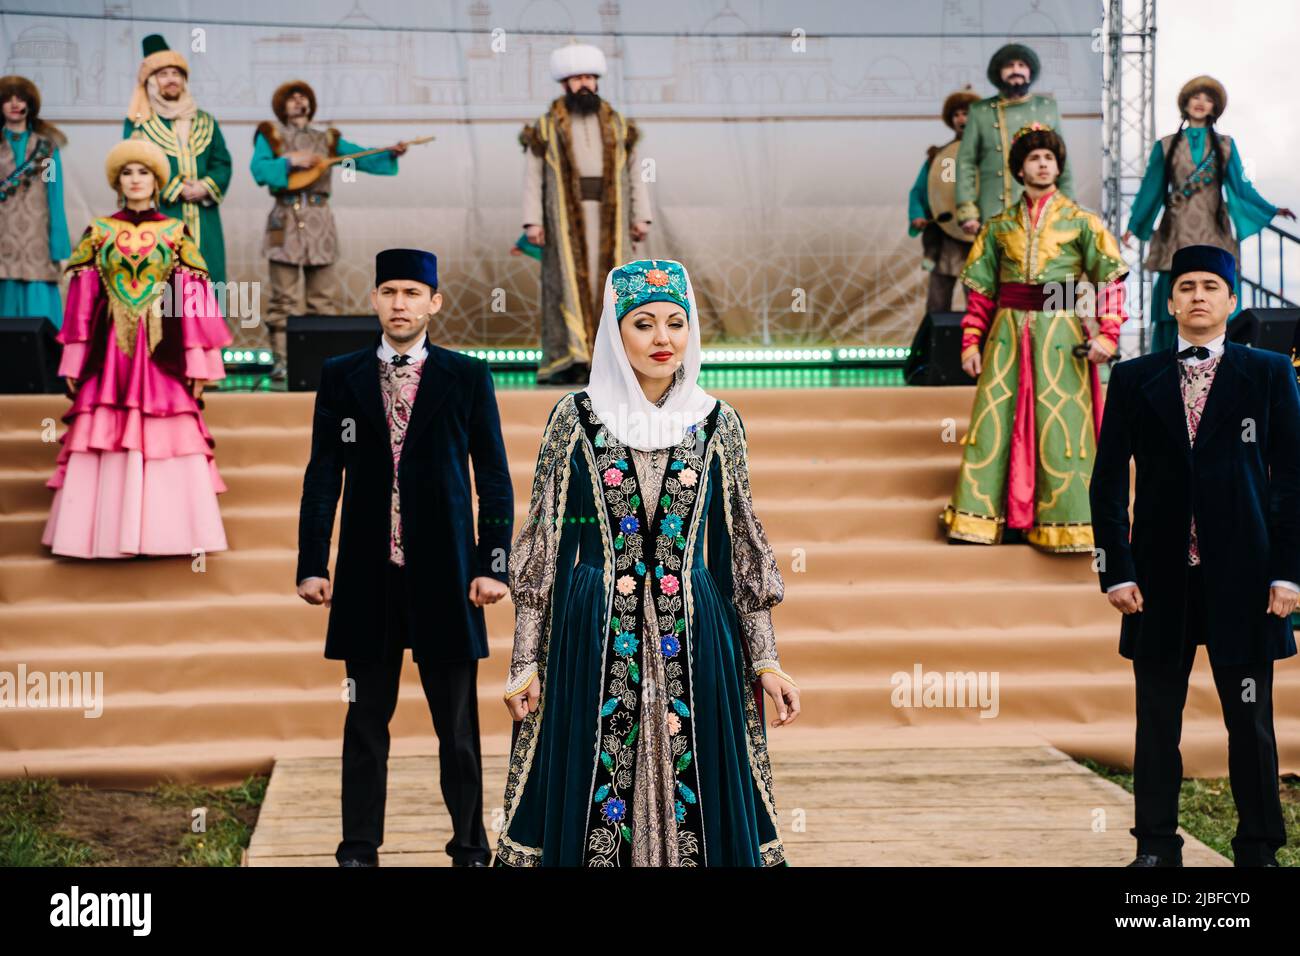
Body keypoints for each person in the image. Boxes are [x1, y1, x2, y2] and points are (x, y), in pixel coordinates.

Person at [493, 258, 800, 867]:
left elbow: (740, 546)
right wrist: (524, 661)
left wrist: (765, 659)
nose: (663, 339)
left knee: (702, 785)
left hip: (698, 629)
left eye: (675, 322)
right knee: (592, 782)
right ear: (615, 330)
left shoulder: (718, 423)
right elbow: (543, 546)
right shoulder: (575, 418)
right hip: (593, 631)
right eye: (643, 323)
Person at [295, 248, 514, 867]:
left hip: (446, 575)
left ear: (434, 303)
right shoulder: (341, 375)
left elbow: (493, 479)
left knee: (457, 726)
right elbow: (322, 475)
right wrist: (314, 561)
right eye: (389, 291)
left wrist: (491, 563)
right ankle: (359, 845)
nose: (399, 303)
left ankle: (470, 843)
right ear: (374, 300)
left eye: (413, 293)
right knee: (364, 721)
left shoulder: (467, 377)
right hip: (368, 577)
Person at [1090, 244, 1300, 867]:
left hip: (1246, 580)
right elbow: (1106, 483)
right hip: (1156, 582)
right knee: (1157, 718)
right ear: (1171, 300)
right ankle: (1156, 846)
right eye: (1187, 286)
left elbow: (1291, 478)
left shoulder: (1266, 372)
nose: (1199, 295)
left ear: (1233, 301)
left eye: (1212, 285)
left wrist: (1289, 573)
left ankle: (1257, 845)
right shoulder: (1133, 377)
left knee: (1249, 720)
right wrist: (1115, 569)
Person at [940, 124, 1127, 551]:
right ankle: (983, 519)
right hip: (1006, 333)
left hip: (1062, 331)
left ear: (1058, 167)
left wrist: (1109, 335)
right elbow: (981, 292)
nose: (1043, 163)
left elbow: (1112, 280)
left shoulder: (1083, 222)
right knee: (997, 423)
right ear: (1019, 170)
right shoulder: (999, 225)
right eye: (1033, 158)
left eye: (1049, 157)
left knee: (1063, 427)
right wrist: (970, 341)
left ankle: (1068, 524)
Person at [42, 138, 231, 558]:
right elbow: (81, 303)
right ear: (117, 181)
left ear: (157, 181)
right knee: (107, 430)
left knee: (167, 433)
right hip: (111, 355)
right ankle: (103, 534)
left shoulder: (176, 233)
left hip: (163, 352)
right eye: (127, 173)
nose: (135, 180)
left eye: (143, 172)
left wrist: (199, 363)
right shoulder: (100, 231)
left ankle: (167, 535)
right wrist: (74, 357)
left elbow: (194, 302)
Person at [1122, 76, 1294, 353]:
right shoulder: (1165, 146)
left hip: (1213, 227)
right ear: (1185, 103)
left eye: (1208, 98)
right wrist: (1135, 224)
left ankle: (1223, 362)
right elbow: (1151, 189)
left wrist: (1270, 209)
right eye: (1195, 97)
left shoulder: (1225, 145)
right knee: (1174, 288)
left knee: (1218, 284)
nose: (1201, 103)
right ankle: (1167, 361)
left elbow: (1240, 186)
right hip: (1176, 230)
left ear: (1214, 107)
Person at [250, 80, 408, 379]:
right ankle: (282, 360)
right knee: (283, 297)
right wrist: (289, 161)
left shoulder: (328, 140)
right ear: (282, 106)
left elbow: (359, 157)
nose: (299, 102)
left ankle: (322, 361)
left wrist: (389, 153)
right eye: (292, 98)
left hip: (319, 219)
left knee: (323, 297)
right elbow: (259, 170)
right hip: (284, 219)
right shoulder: (270, 135)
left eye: (303, 97)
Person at [520, 42, 652, 385]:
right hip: (564, 221)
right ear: (564, 84)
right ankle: (572, 360)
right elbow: (534, 176)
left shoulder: (620, 125)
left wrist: (641, 216)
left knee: (614, 285)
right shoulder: (546, 127)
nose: (584, 84)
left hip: (612, 220)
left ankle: (614, 360)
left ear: (597, 81)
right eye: (577, 78)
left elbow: (635, 173)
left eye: (589, 77)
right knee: (566, 286)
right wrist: (533, 220)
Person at [124, 34, 232, 286]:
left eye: (176, 73)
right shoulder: (139, 124)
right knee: (165, 286)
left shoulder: (205, 120)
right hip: (162, 217)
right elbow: (133, 166)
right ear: (151, 82)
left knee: (209, 282)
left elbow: (222, 162)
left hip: (205, 220)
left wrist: (205, 186)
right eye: (163, 74)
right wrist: (176, 188)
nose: (171, 79)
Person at [956, 43, 1074, 235]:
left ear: (1030, 71)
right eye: (1009, 66)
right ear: (998, 73)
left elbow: (1063, 160)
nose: (1015, 70)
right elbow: (965, 163)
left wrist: (1069, 203)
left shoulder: (1047, 107)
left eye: (1021, 65)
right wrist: (967, 209)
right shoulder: (980, 111)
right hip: (993, 208)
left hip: (1043, 209)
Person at [0, 75, 70, 329]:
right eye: (7, 99)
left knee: (40, 321)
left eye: (21, 98)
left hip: (36, 240)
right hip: (2, 239)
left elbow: (54, 191)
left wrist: (59, 247)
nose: (15, 104)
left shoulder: (47, 148)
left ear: (30, 103)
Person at [907, 86, 979, 315]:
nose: (961, 118)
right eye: (957, 114)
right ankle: (933, 349)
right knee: (937, 304)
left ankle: (982, 349)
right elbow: (919, 191)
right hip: (944, 237)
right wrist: (918, 215)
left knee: (978, 303)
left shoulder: (989, 154)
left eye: (966, 113)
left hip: (977, 238)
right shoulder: (939, 156)